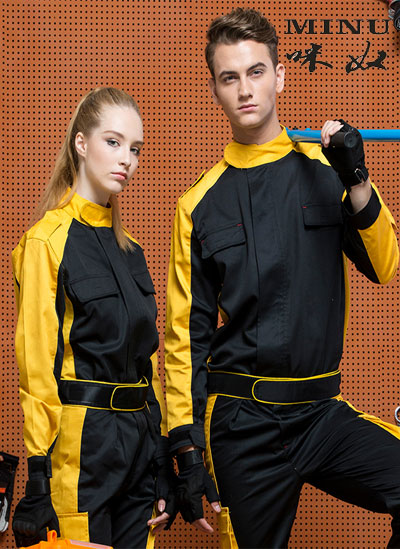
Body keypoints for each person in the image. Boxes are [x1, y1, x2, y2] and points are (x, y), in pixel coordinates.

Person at [164, 8, 400, 549]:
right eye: (229, 77)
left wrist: (356, 177)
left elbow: (385, 264)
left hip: (320, 415)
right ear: (215, 90)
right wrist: (185, 447)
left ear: (280, 76)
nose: (245, 89)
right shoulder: (198, 204)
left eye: (256, 71)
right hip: (240, 426)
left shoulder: (327, 168)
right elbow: (184, 340)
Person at [12, 87, 174, 548]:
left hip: (139, 444)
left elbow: (147, 364)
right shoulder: (46, 242)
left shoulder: (132, 250)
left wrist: (161, 454)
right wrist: (38, 476)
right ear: (81, 144)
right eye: (113, 142)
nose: (127, 159)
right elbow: (37, 369)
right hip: (82, 447)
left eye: (135, 149)